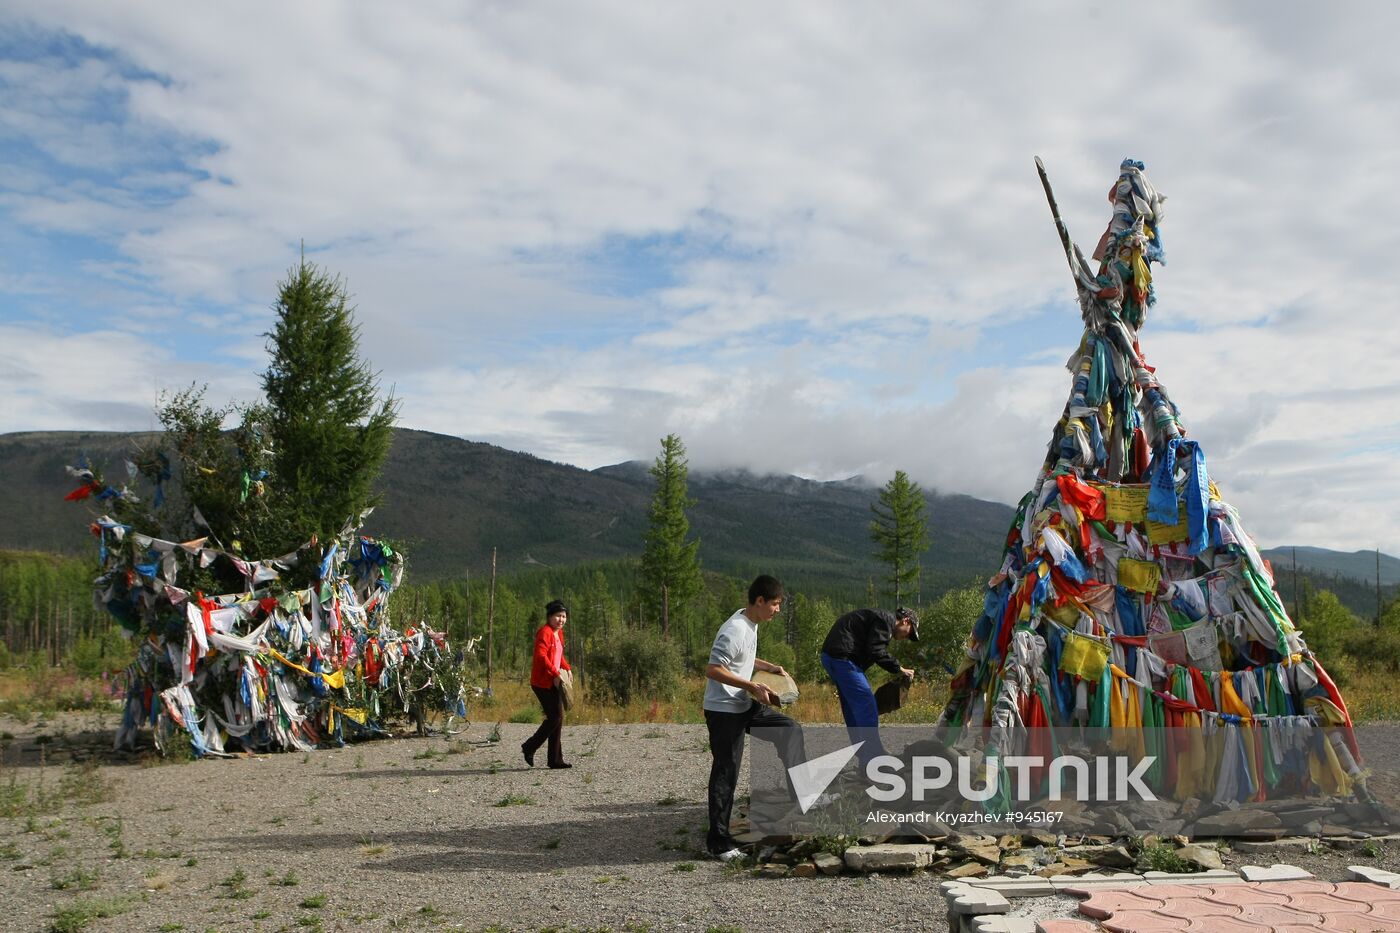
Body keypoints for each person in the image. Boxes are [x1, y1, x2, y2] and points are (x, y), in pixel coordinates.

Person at [703, 574, 807, 861]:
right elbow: (713, 669)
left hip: (742, 704)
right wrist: (751, 685)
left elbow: (743, 660)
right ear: (759, 601)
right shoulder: (734, 629)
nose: (777, 610)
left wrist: (769, 667)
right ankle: (719, 843)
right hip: (724, 710)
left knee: (790, 730)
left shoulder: (751, 622)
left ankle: (801, 798)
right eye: (774, 604)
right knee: (726, 770)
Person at [820, 606, 918, 765]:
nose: (907, 637)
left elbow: (870, 647)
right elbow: (876, 650)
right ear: (905, 620)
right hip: (843, 660)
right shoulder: (886, 620)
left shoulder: (880, 618)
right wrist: (899, 669)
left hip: (832, 657)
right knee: (867, 706)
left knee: (853, 711)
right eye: (910, 632)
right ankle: (873, 759)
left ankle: (865, 758)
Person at [522, 599, 572, 769]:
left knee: (557, 718)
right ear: (550, 617)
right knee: (555, 717)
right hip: (542, 682)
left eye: (564, 616)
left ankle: (555, 760)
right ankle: (529, 746)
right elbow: (541, 656)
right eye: (558, 616)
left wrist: (566, 668)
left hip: (553, 681)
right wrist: (556, 672)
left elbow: (558, 655)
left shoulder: (558, 633)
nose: (561, 620)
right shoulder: (545, 632)